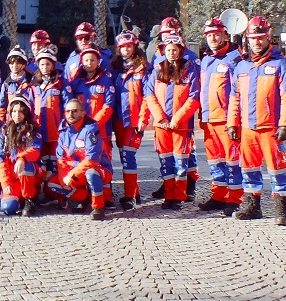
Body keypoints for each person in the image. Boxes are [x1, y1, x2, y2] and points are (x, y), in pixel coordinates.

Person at [228, 16, 286, 225]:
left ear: (269, 38)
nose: (257, 42)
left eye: (261, 38)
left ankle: (280, 209)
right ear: (247, 39)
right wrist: (232, 123)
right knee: (248, 169)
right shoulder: (241, 67)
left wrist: (285, 123)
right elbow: (235, 97)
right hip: (248, 128)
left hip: (271, 128)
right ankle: (252, 206)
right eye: (253, 38)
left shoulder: (280, 64)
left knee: (277, 169)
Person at [145, 35, 201, 210]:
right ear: (163, 51)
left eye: (175, 49)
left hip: (181, 126)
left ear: (181, 51)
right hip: (162, 126)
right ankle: (168, 195)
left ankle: (179, 196)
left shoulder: (189, 70)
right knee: (166, 163)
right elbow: (149, 95)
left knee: (180, 164)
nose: (171, 53)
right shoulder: (157, 70)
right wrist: (160, 118)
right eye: (168, 50)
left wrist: (177, 119)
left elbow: (194, 98)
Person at [196, 19, 245, 216]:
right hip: (209, 120)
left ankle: (235, 199)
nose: (213, 38)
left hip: (227, 120)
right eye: (209, 35)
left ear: (225, 35)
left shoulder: (235, 59)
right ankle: (219, 195)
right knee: (215, 161)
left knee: (232, 161)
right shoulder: (207, 59)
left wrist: (235, 120)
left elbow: (239, 91)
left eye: (216, 34)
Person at [47, 98, 110, 220]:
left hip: (98, 170)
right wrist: (63, 180)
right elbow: (60, 159)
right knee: (53, 183)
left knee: (91, 173)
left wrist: (72, 175)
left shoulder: (91, 130)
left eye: (74, 111)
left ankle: (98, 207)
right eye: (68, 111)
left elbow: (92, 160)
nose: (70, 114)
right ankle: (84, 198)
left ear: (83, 113)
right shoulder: (63, 132)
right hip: (75, 173)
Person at [112, 31, 149, 210]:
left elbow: (147, 95)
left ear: (134, 46)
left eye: (129, 46)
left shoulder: (143, 69)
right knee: (123, 155)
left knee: (128, 155)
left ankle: (129, 197)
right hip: (119, 119)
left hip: (134, 120)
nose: (126, 49)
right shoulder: (115, 68)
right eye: (123, 47)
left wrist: (143, 119)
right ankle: (134, 191)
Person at [0, 96, 43, 216]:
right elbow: (1, 160)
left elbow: (35, 150)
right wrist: (6, 183)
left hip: (28, 172)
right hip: (13, 177)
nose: (17, 114)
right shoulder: (4, 133)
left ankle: (29, 199)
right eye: (14, 111)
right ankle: (18, 197)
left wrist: (22, 158)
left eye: (21, 111)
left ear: (26, 112)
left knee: (26, 167)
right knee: (8, 208)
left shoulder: (33, 130)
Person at [31, 45, 65, 189]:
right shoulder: (33, 85)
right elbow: (30, 107)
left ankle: (57, 193)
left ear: (53, 65)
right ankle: (42, 192)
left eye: (48, 64)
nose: (45, 67)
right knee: (42, 164)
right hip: (39, 131)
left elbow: (67, 106)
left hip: (55, 131)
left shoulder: (60, 84)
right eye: (42, 64)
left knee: (56, 163)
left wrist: (64, 126)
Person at [0, 45, 35, 122]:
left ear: (24, 64)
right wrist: (1, 123)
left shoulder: (32, 80)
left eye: (18, 63)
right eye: (12, 63)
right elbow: (2, 105)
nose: (14, 66)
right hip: (11, 122)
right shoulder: (7, 83)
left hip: (28, 122)